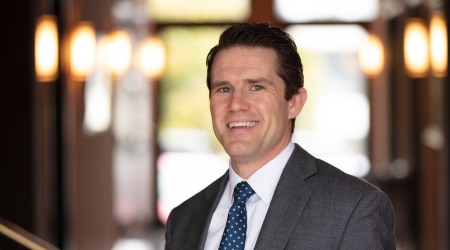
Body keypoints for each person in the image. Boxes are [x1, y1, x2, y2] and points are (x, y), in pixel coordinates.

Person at [165, 22, 396, 250]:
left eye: (256, 87)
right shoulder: (184, 220)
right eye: (223, 89)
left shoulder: (355, 209)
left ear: (294, 103)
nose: (236, 104)